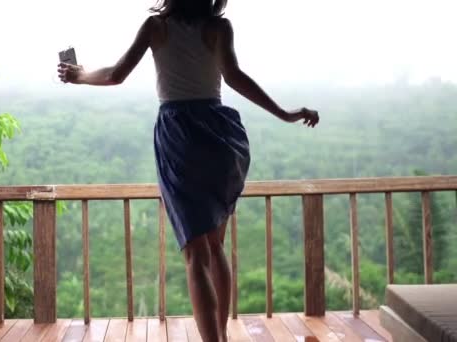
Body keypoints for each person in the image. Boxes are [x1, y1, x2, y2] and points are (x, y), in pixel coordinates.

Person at [58, 0, 319, 340]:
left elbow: (115, 75)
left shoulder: (156, 27)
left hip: (179, 136)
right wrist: (286, 113)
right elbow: (235, 77)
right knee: (215, 247)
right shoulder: (219, 27)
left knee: (196, 254)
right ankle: (222, 336)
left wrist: (78, 76)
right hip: (220, 137)